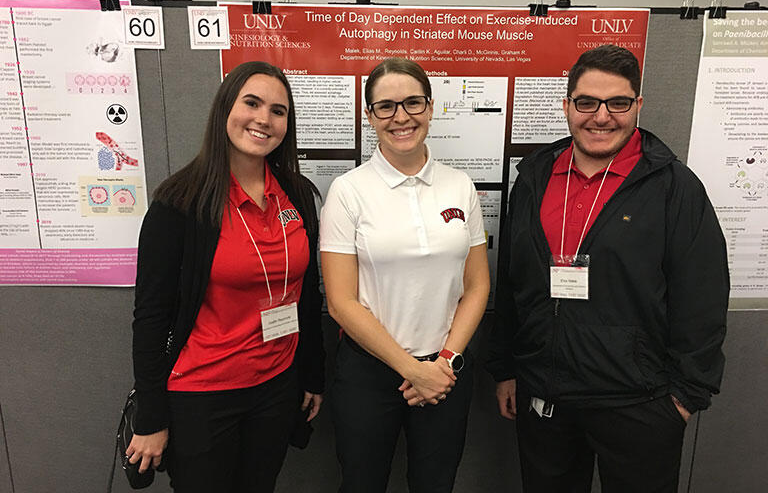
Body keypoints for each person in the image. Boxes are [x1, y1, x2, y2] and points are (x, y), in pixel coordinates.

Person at [487, 44, 729, 492]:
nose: (601, 117)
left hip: (639, 402)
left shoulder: (674, 188)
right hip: (546, 395)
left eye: (617, 103)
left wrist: (683, 398)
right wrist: (506, 368)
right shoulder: (536, 176)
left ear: (637, 105)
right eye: (586, 103)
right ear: (567, 106)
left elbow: (703, 297)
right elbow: (511, 279)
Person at [126, 61, 324, 493]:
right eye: (251, 103)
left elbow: (307, 294)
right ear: (224, 109)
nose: (263, 119)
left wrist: (312, 375)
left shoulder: (297, 195)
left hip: (276, 384)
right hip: (202, 393)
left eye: (278, 111)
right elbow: (151, 315)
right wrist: (152, 416)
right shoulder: (180, 203)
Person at [320, 57, 490, 493]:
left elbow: (477, 286)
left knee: (436, 484)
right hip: (369, 373)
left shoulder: (460, 186)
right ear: (370, 115)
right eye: (386, 106)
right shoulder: (348, 191)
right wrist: (412, 370)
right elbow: (341, 301)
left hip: (446, 369)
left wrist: (444, 362)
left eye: (413, 103)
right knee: (362, 484)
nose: (401, 117)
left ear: (431, 108)